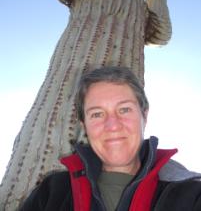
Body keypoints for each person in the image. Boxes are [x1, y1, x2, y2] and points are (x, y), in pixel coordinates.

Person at [20, 66, 201, 211]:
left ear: (144, 116)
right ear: (84, 126)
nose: (112, 125)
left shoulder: (191, 193)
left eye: (124, 110)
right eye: (97, 114)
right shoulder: (52, 193)